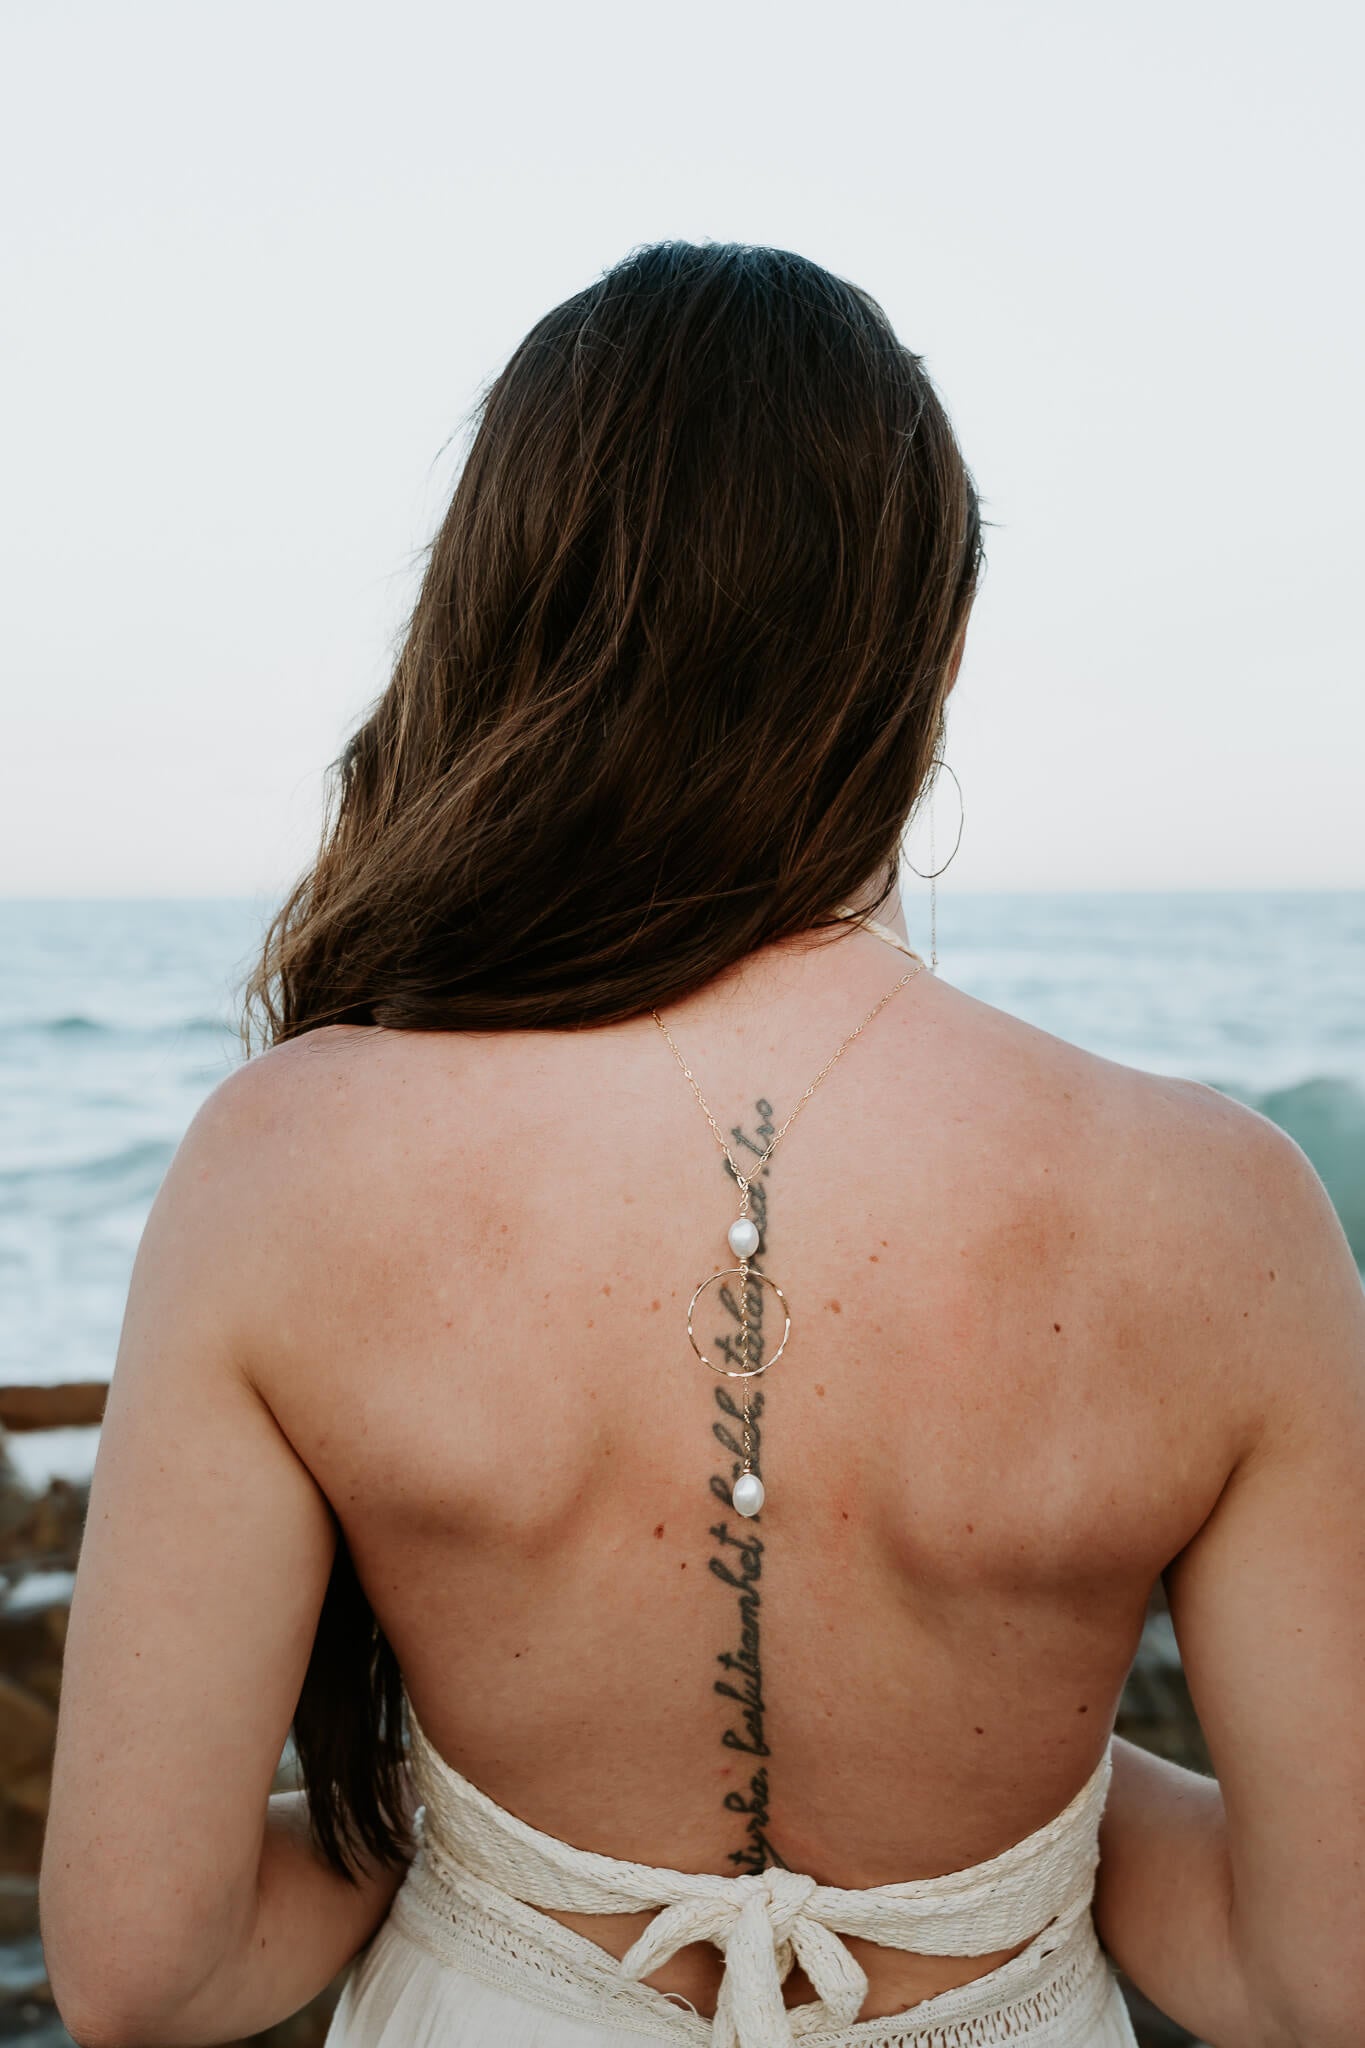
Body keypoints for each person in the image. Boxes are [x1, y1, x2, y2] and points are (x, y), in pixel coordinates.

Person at [40, 242, 1364, 2048]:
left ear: (501, 614)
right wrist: (1019, 1796)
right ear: (933, 644)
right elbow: (1316, 1975)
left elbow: (147, 1967)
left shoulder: (285, 1165)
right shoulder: (1221, 1210)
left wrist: (472, 1802)